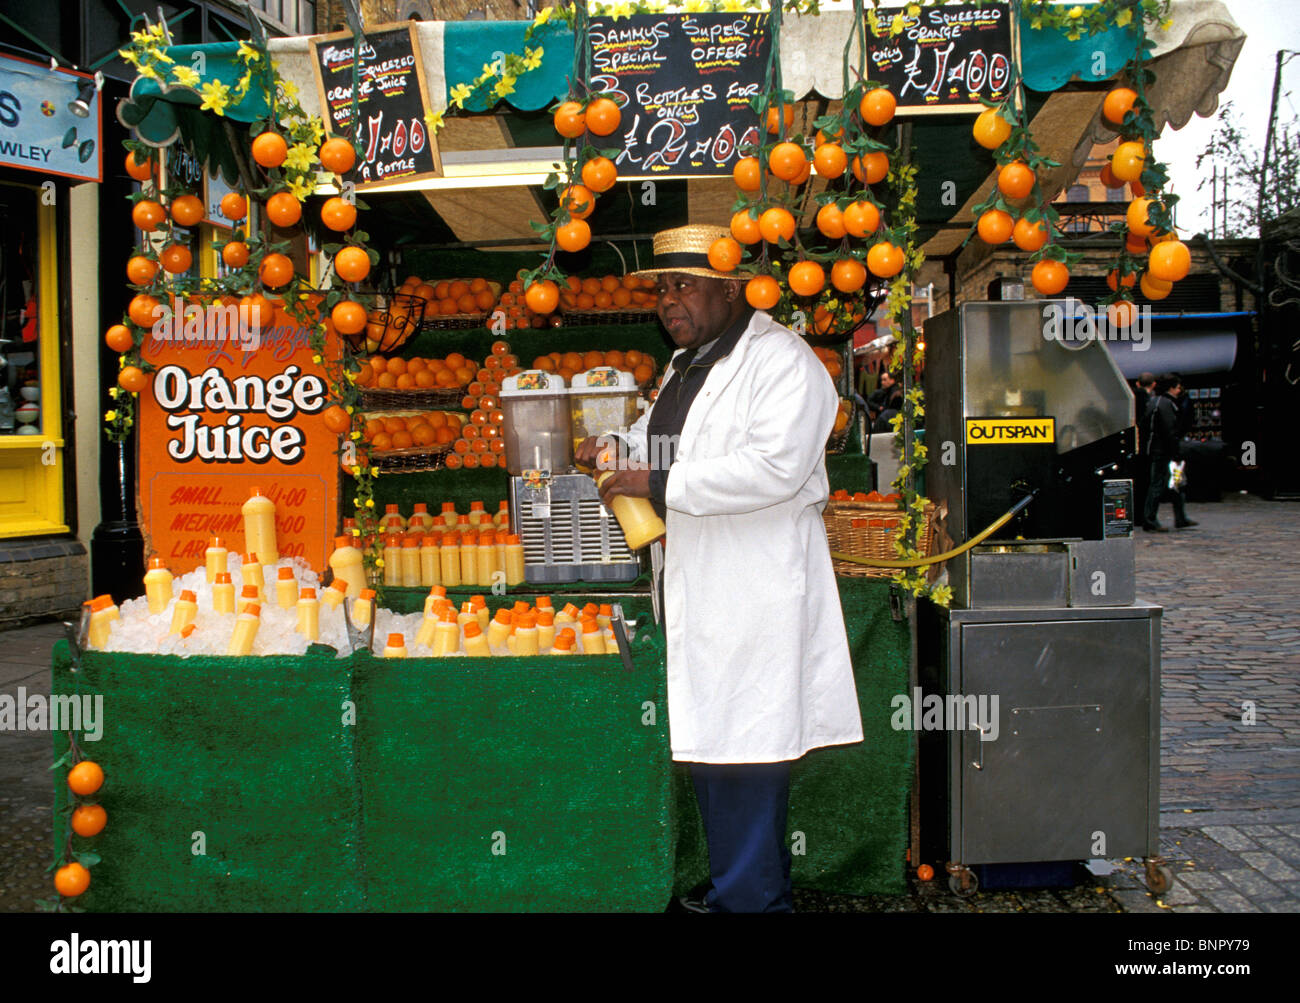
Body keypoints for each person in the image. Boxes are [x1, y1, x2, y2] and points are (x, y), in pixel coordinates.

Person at [574, 224, 863, 913]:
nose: (669, 301)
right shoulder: (684, 367)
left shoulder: (783, 362)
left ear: (732, 287)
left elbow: (774, 468)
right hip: (699, 588)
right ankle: (736, 882)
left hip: (753, 591)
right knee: (713, 745)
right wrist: (613, 446)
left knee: (748, 753)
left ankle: (756, 898)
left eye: (684, 286)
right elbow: (655, 442)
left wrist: (656, 481)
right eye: (663, 288)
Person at [1141, 372, 1198, 531]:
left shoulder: (1155, 402)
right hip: (1164, 451)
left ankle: (1180, 517)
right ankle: (1150, 519)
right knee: (1161, 484)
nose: (1179, 390)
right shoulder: (1166, 404)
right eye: (1177, 387)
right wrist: (1176, 452)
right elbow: (1170, 431)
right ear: (1172, 388)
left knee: (1176, 482)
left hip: (1158, 449)